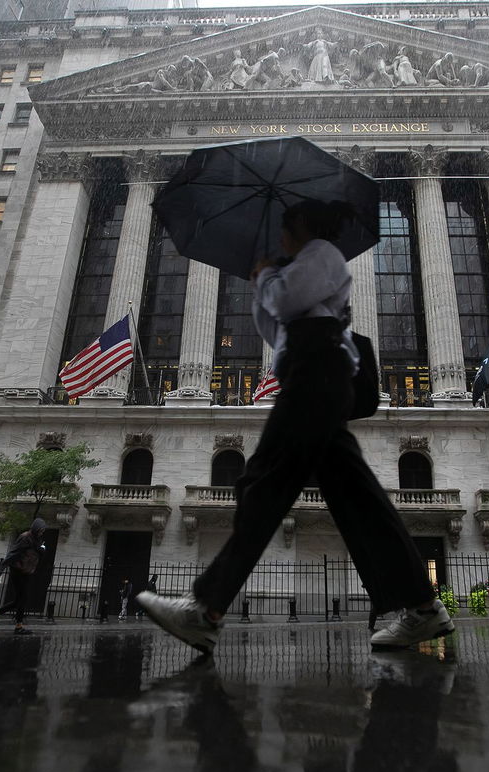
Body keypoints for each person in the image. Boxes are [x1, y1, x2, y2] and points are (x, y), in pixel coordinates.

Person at [139, 199, 454, 655]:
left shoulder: (324, 253)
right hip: (308, 371)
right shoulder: (303, 267)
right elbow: (277, 329)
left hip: (318, 372)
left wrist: (269, 278)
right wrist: (262, 283)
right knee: (357, 498)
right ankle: (423, 609)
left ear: (303, 223)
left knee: (262, 485)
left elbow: (286, 301)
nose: (280, 235)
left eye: (286, 225)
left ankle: (204, 609)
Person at [0, 518, 47, 635]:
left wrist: (41, 549)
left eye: (43, 531)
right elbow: (14, 552)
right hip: (18, 570)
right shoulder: (25, 537)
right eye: (40, 530)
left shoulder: (37, 540)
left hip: (27, 571)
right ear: (36, 528)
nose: (41, 532)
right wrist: (2, 567)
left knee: (19, 600)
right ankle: (18, 626)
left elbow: (37, 552)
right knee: (22, 599)